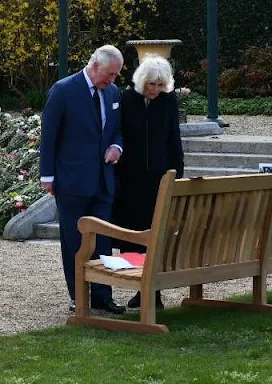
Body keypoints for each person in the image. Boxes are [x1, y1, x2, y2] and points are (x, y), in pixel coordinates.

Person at [40, 45, 126, 314]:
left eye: (116, 75)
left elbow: (117, 130)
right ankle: (79, 295)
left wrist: (117, 147)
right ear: (95, 65)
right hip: (72, 179)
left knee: (103, 241)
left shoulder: (112, 93)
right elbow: (49, 135)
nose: (113, 80)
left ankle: (103, 295)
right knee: (74, 240)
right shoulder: (63, 90)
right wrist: (47, 176)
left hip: (103, 179)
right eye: (110, 74)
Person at [112, 54, 185, 309]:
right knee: (131, 235)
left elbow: (173, 138)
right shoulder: (126, 99)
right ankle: (138, 285)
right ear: (142, 81)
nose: (155, 89)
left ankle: (153, 292)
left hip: (158, 178)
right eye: (151, 84)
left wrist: (177, 174)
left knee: (156, 235)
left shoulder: (167, 102)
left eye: (160, 84)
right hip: (130, 179)